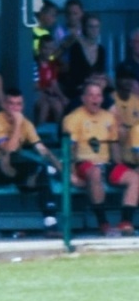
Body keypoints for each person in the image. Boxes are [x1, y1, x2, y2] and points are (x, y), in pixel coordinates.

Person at [0, 87, 62, 234]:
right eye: (11, 104)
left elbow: (41, 149)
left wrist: (63, 169)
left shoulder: (27, 124)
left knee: (42, 172)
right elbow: (9, 149)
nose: (15, 108)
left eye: (18, 104)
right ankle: (46, 171)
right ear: (4, 105)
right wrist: (17, 124)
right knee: (14, 157)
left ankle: (50, 223)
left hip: (16, 173)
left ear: (23, 106)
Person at [62, 80, 137, 235]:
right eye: (91, 95)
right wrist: (71, 173)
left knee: (135, 178)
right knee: (95, 172)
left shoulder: (109, 117)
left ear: (102, 99)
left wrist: (119, 165)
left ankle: (126, 222)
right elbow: (70, 149)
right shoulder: (73, 118)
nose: (95, 99)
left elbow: (114, 145)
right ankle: (103, 223)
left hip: (106, 163)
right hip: (83, 163)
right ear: (83, 98)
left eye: (98, 95)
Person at [58, 13, 108, 103]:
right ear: (84, 28)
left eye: (97, 27)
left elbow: (101, 72)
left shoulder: (101, 50)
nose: (94, 30)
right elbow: (74, 74)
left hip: (97, 88)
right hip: (79, 89)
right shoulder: (76, 47)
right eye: (91, 27)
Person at [33, 42, 66, 126]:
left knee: (58, 105)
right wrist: (46, 90)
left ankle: (60, 134)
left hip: (48, 93)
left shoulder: (52, 65)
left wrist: (63, 97)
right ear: (39, 49)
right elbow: (34, 85)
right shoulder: (34, 63)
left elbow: (54, 83)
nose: (48, 51)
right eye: (45, 48)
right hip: (36, 93)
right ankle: (37, 135)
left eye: (51, 49)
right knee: (45, 105)